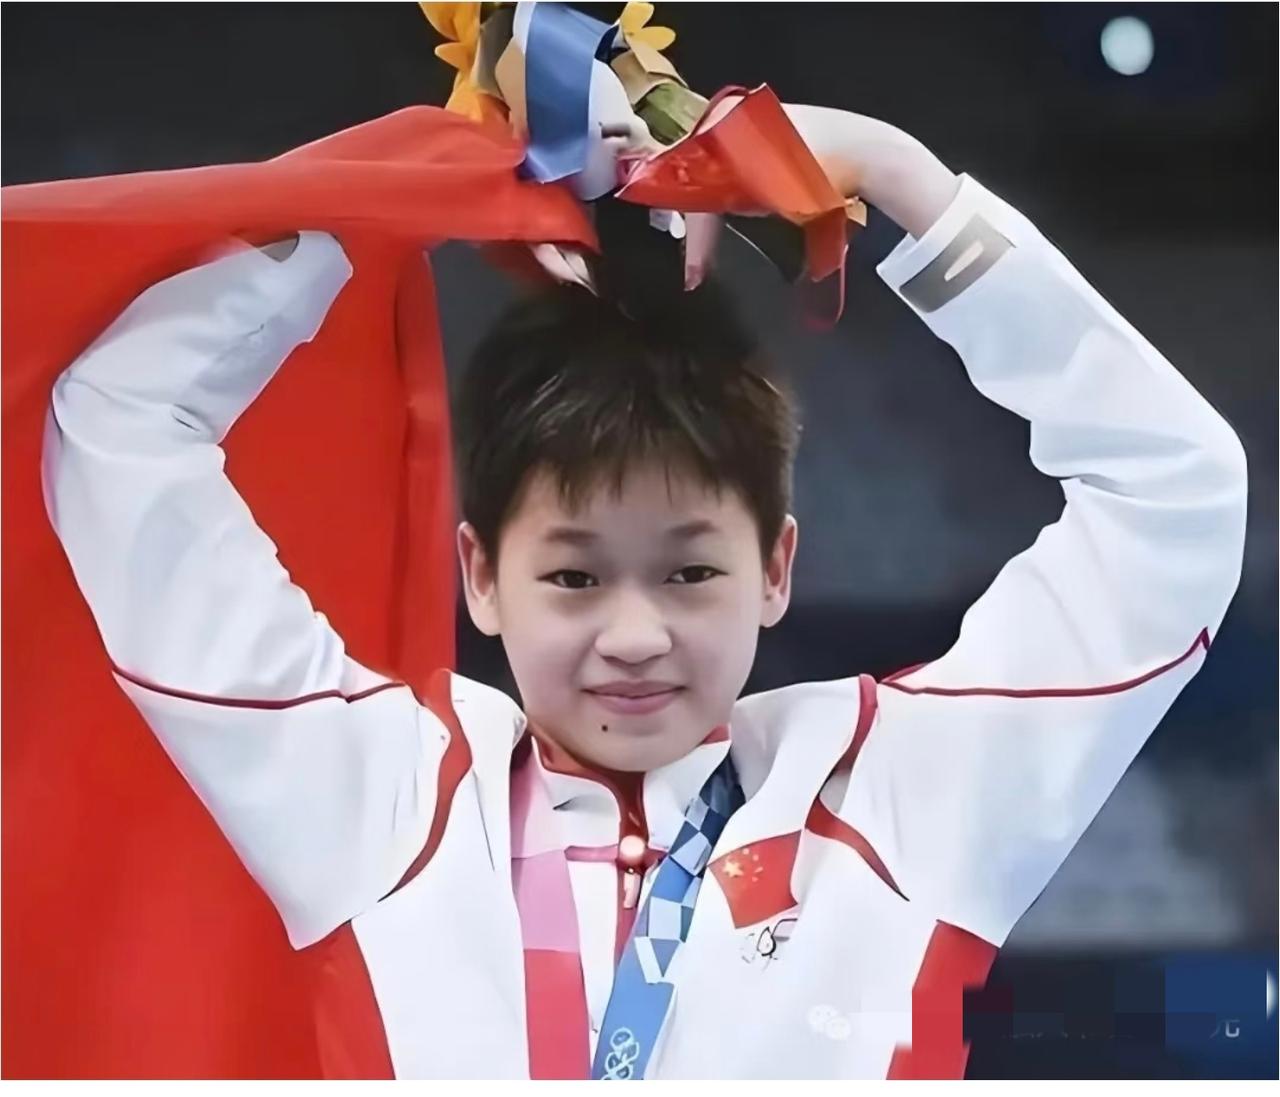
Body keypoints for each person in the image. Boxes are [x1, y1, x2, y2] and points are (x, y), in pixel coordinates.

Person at [41, 99, 1248, 1080]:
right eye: (572, 575)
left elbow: (1175, 494)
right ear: (482, 575)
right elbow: (119, 426)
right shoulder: (380, 790)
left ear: (774, 568)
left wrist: (892, 172)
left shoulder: (897, 792)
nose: (633, 633)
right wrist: (385, 197)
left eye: (688, 571)